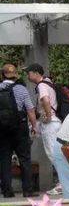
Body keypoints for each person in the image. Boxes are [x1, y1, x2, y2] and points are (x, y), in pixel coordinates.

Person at [0, 64, 38, 198]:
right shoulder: (21, 89)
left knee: (4, 159)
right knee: (25, 158)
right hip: (20, 128)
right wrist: (34, 126)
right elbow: (30, 110)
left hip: (2, 130)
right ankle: (27, 190)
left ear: (2, 75)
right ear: (15, 75)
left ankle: (7, 191)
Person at [25, 63, 61, 195]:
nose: (27, 75)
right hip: (52, 123)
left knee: (53, 153)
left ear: (35, 73)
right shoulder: (48, 82)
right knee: (32, 131)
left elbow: (45, 100)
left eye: (28, 72)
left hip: (50, 124)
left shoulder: (41, 85)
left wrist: (48, 116)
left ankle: (62, 183)